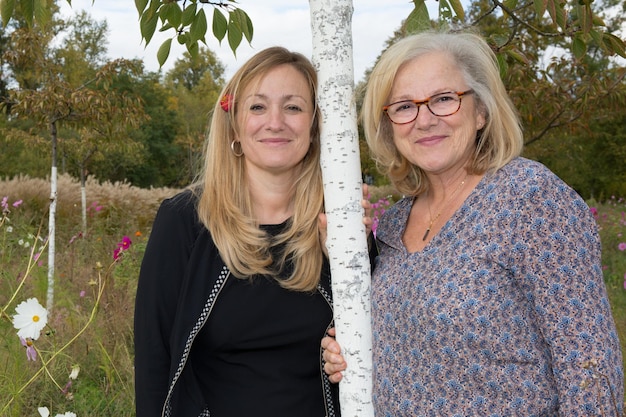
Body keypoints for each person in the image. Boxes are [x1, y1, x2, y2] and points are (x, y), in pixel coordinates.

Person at [322, 31, 624, 416]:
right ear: (389, 126)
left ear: (481, 110)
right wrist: (353, 348)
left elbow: (588, 365)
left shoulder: (530, 198)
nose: (425, 119)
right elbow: (421, 340)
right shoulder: (396, 222)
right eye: (403, 106)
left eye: (444, 99)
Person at [134, 46, 348, 417]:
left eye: (294, 107)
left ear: (315, 126)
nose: (275, 122)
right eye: (258, 107)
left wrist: (345, 258)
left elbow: (382, 344)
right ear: (234, 124)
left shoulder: (339, 225)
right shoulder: (185, 221)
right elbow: (154, 358)